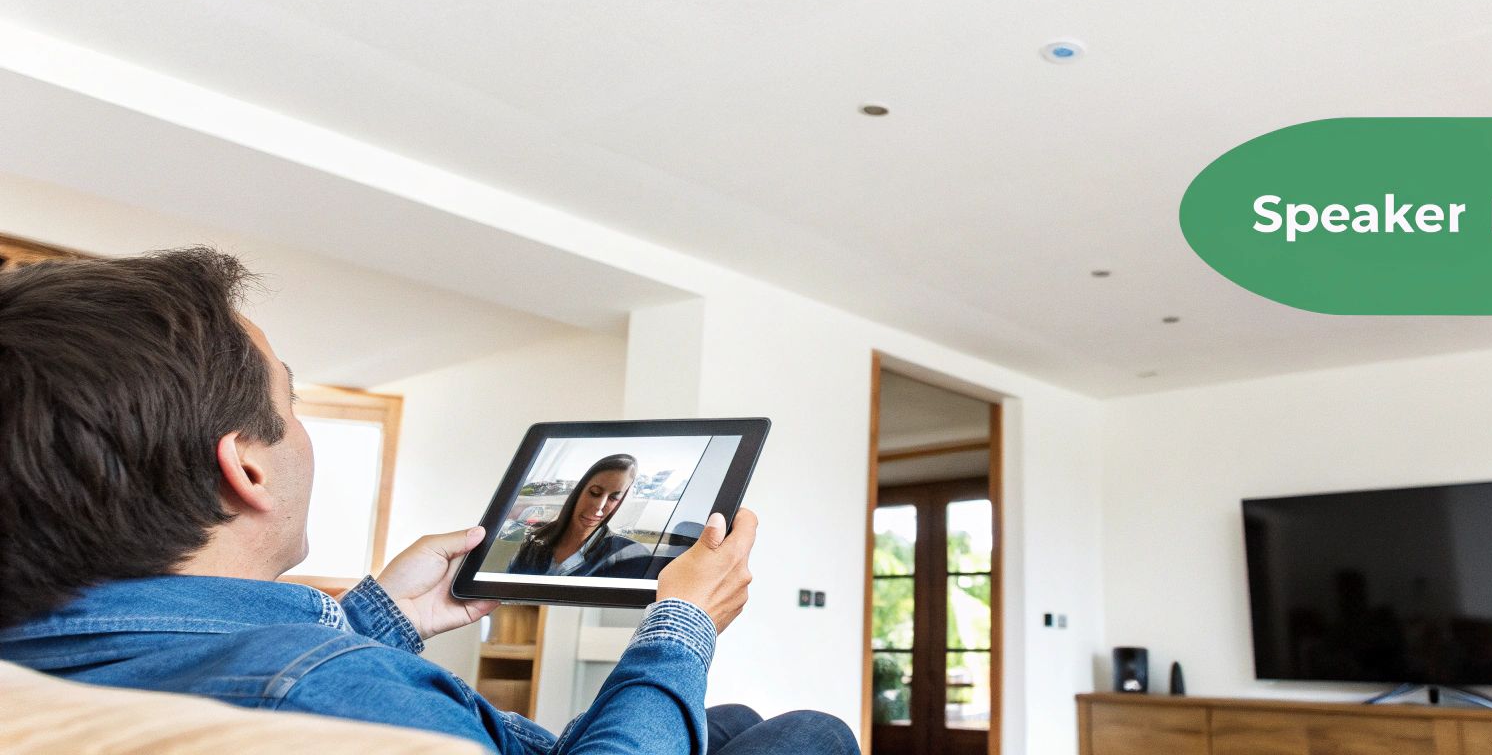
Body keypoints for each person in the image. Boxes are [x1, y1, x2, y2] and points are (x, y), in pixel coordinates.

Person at [0, 248, 857, 755]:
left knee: (735, 720)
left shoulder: (35, 653)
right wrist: (683, 626)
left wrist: (387, 613)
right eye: (291, 407)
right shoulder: (333, 688)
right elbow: (300, 687)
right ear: (247, 469)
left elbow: (212, 655)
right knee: (811, 732)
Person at [506, 455, 656, 577]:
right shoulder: (536, 539)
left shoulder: (630, 554)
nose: (599, 507)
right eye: (595, 493)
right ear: (579, 491)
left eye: (613, 498)